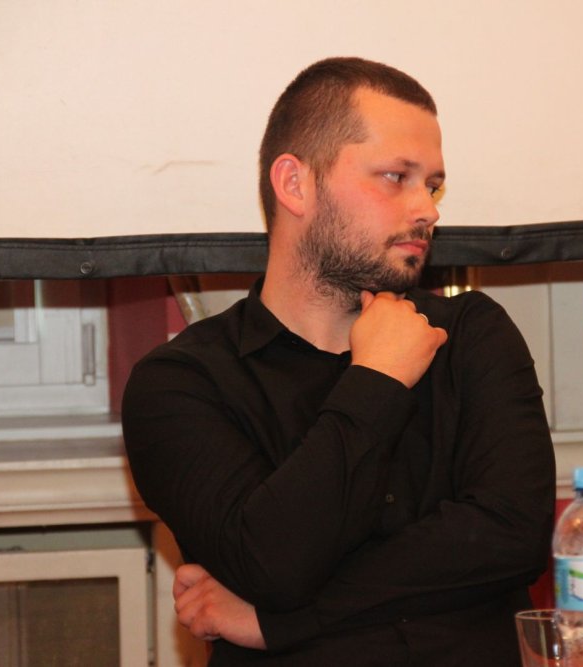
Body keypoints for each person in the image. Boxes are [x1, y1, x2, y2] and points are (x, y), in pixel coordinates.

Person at [122, 56, 556, 666]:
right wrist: (378, 378)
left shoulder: (470, 334)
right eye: (395, 177)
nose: (428, 209)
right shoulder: (180, 384)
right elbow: (274, 562)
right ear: (295, 184)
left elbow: (513, 536)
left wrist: (279, 622)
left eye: (432, 185)